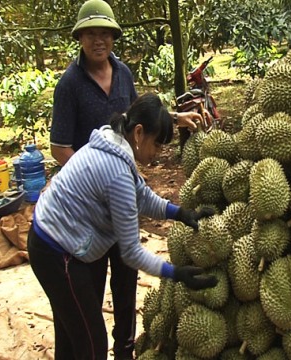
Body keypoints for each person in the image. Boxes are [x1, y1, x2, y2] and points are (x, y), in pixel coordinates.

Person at [48, 1, 195, 358]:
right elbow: (59, 147)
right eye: (91, 33)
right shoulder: (69, 84)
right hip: (92, 209)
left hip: (122, 190)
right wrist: (92, 185)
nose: (99, 40)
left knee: (127, 278)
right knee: (88, 290)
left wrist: (174, 118)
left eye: (105, 33)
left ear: (113, 37)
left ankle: (125, 347)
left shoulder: (123, 73)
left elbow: (138, 119)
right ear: (80, 37)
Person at [28, 93, 217, 360]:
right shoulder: (116, 171)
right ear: (139, 133)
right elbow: (130, 252)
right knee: (92, 344)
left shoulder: (113, 141)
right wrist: (174, 272)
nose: (158, 155)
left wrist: (180, 213)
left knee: (72, 337)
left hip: (49, 238)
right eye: (157, 145)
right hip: (57, 252)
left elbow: (142, 195)